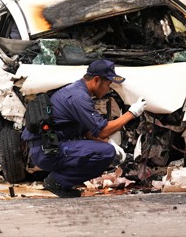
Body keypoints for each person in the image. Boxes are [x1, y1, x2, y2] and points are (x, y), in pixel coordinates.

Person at [22, 59, 147, 198]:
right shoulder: (78, 97)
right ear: (96, 80)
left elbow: (88, 131)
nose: (109, 89)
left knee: (106, 149)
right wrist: (132, 113)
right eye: (108, 83)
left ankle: (61, 182)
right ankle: (58, 181)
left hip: (48, 148)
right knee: (105, 153)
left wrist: (109, 142)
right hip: (46, 151)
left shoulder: (78, 91)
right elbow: (103, 130)